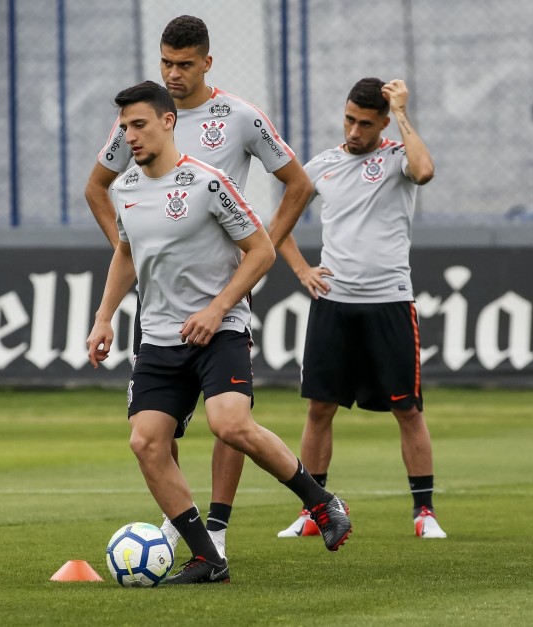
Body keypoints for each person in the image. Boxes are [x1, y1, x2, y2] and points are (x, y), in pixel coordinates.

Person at [86, 80, 352, 584]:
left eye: (139, 125)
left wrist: (218, 308)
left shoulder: (208, 183)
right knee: (146, 443)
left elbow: (262, 250)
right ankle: (209, 558)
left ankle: (321, 503)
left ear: (168, 122)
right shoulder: (125, 191)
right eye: (125, 128)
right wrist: (104, 318)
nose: (131, 137)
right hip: (160, 338)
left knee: (229, 424)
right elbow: (126, 253)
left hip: (220, 329)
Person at [274, 77, 447, 539]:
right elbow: (278, 226)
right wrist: (301, 270)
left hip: (389, 302)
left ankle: (424, 512)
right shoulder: (322, 165)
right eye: (349, 119)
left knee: (407, 410)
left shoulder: (397, 159)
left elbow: (426, 170)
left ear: (384, 123)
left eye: (365, 123)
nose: (354, 130)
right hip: (333, 304)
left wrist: (405, 112)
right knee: (319, 410)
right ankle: (316, 510)